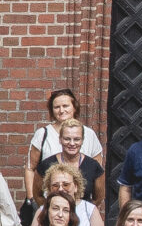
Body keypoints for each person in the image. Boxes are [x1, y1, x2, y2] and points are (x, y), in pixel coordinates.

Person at [26, 88, 105, 216]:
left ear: (74, 107)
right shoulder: (43, 134)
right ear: (60, 140)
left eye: (65, 106)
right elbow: (31, 169)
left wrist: (85, 210)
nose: (61, 110)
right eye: (57, 107)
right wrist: (35, 201)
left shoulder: (89, 134)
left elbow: (96, 173)